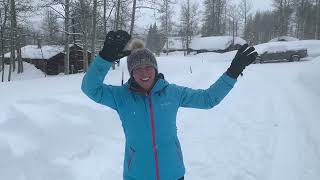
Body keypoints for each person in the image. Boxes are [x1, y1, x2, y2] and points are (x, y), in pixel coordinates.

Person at [81, 30, 258, 180]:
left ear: (155, 69)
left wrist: (232, 73)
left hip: (172, 174)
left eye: (148, 67)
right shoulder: (121, 96)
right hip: (136, 175)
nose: (144, 73)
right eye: (138, 69)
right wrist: (105, 58)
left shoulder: (171, 92)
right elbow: (90, 88)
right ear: (131, 73)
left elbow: (208, 99)